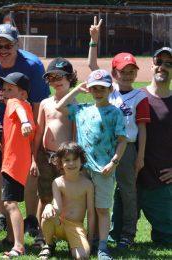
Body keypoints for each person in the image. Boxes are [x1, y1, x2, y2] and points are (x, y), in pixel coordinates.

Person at [0, 23, 50, 235]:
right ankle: (3, 216)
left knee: (28, 170)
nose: (3, 50)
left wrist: (34, 135)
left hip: (25, 124)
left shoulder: (32, 65)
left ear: (17, 44)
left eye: (7, 45)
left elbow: (37, 103)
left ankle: (30, 220)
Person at [88, 16, 150, 248]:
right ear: (114, 72)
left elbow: (142, 128)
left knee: (127, 192)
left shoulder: (140, 96)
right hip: (103, 147)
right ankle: (98, 233)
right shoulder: (109, 89)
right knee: (99, 191)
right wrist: (94, 41)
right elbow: (93, 67)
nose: (128, 75)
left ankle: (127, 234)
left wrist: (140, 156)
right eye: (123, 71)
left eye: (132, 71)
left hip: (128, 148)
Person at [56, 69, 127, 260]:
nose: (97, 91)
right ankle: (88, 239)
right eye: (94, 88)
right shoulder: (82, 109)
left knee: (102, 209)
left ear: (110, 89)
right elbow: (59, 106)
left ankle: (102, 246)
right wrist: (77, 90)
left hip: (104, 169)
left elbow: (122, 141)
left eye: (102, 88)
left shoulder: (115, 113)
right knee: (84, 207)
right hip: (82, 170)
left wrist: (114, 162)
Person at [33, 57, 77, 247]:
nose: (56, 81)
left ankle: (64, 232)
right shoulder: (45, 103)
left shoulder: (74, 105)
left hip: (65, 159)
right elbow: (39, 132)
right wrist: (34, 159)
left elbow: (75, 136)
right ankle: (41, 234)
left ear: (70, 78)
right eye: (51, 77)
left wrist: (74, 161)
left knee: (65, 197)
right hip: (45, 156)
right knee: (44, 196)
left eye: (61, 77)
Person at [0, 72, 36, 258]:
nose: (5, 93)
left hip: (13, 162)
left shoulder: (15, 103)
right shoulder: (27, 107)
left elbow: (16, 106)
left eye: (10, 89)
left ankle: (18, 246)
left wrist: (25, 122)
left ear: (23, 94)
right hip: (19, 161)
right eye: (4, 89)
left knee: (10, 203)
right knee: (10, 201)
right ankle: (11, 238)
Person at [137, 47, 172, 244]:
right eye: (159, 62)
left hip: (162, 182)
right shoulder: (136, 96)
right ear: (152, 66)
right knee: (119, 237)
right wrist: (93, 44)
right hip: (132, 179)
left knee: (166, 238)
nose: (163, 67)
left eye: (169, 64)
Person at [38, 142, 95, 260]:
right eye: (67, 160)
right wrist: (49, 206)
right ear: (60, 163)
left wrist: (90, 240)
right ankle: (49, 244)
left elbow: (90, 213)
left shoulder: (87, 184)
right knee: (47, 215)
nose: (71, 163)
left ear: (81, 161)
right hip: (59, 223)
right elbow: (57, 208)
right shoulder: (57, 182)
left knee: (82, 257)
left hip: (76, 227)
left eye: (75, 159)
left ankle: (73, 244)